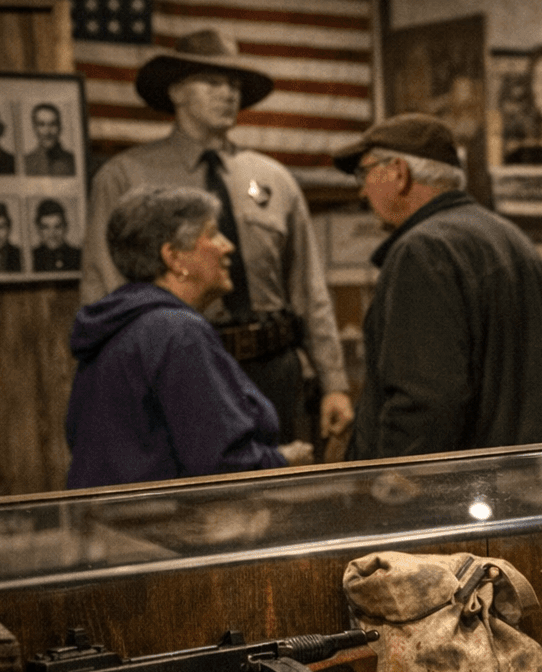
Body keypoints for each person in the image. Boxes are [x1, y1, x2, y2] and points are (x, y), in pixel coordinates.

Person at [80, 28, 352, 449]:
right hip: (180, 369)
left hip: (271, 367)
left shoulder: (272, 179)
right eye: (213, 82)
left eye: (235, 85)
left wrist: (334, 381)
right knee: (195, 496)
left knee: (278, 494)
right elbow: (103, 289)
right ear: (176, 92)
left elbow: (308, 289)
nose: (228, 94)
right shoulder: (127, 177)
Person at [331, 112, 542, 458]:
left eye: (365, 173)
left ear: (398, 172)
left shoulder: (423, 251)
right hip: (525, 485)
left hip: (464, 497)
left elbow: (424, 404)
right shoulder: (511, 238)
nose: (363, 191)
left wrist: (389, 492)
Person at [65, 186, 310, 489]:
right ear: (174, 258)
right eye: (213, 234)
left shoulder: (122, 324)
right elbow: (221, 464)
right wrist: (285, 460)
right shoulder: (177, 333)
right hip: (158, 526)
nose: (228, 246)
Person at [22, 103, 76, 176]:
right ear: (35, 129)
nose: (47, 131)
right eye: (41, 124)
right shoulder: (25, 163)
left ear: (60, 127)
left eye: (53, 124)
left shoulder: (73, 162)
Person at [31, 198, 81, 272]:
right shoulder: (32, 257)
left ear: (65, 227)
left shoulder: (79, 256)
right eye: (45, 227)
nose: (52, 233)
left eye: (57, 227)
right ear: (38, 229)